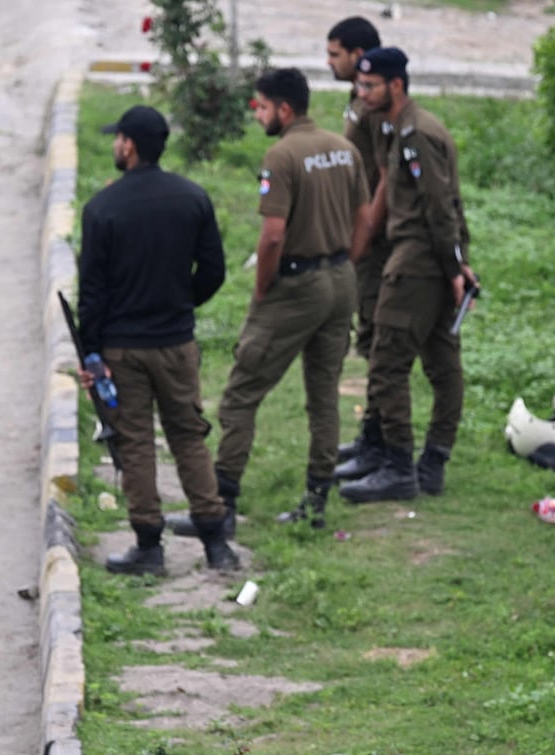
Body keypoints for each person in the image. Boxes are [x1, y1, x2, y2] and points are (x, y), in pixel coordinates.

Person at [77, 104, 237, 576]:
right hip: (176, 342)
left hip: (123, 347)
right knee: (189, 437)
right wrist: (180, 303)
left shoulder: (102, 209)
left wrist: (92, 349)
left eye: (117, 138)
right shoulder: (192, 198)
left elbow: (93, 291)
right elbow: (213, 270)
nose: (114, 146)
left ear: (128, 145)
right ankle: (216, 542)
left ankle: (149, 546)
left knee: (136, 442)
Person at [210, 67, 372, 531]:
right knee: (324, 396)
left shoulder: (282, 155)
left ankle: (220, 505)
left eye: (260, 106)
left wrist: (263, 290)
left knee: (241, 394)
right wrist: (345, 262)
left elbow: (273, 237)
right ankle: (316, 502)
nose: (257, 114)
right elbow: (364, 219)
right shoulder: (345, 150)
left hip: (297, 286)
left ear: (284, 108)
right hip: (341, 281)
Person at [338, 47, 476, 504]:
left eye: (369, 86)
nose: (362, 93)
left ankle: (400, 466)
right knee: (441, 363)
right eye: (359, 85)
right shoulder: (400, 130)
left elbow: (440, 210)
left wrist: (454, 268)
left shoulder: (417, 135)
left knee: (387, 364)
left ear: (396, 85)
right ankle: (430, 464)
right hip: (430, 263)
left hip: (418, 265)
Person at [325, 16, 394, 467]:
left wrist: (364, 232)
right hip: (360, 236)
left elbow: (386, 174)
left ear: (357, 53)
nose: (329, 62)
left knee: (376, 339)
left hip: (377, 241)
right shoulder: (358, 98)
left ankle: (381, 441)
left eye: (335, 54)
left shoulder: (375, 103)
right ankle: (372, 432)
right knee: (368, 336)